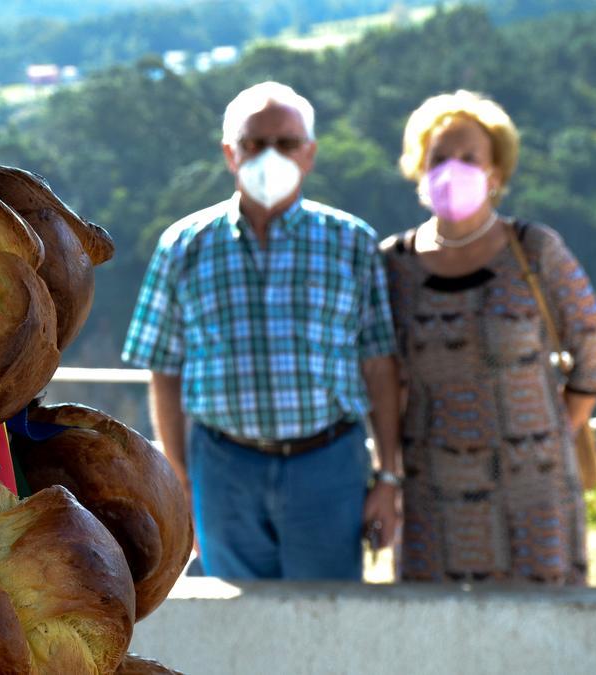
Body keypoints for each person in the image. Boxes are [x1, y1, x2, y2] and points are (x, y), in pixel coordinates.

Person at [122, 81, 403, 580]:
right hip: (223, 466)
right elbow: (164, 367)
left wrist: (387, 476)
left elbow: (379, 365)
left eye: (287, 143)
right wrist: (180, 476)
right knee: (239, 621)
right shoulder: (184, 245)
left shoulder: (352, 243)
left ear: (310, 154)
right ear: (230, 153)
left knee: (327, 618)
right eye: (254, 143)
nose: (270, 155)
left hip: (330, 466)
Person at [381, 90, 596, 585]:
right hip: (430, 487)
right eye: (440, 157)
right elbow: (382, 372)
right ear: (418, 167)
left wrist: (554, 432)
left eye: (470, 158)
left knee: (539, 633)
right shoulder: (393, 264)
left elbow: (594, 351)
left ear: (495, 173)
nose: (453, 168)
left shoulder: (534, 250)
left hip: (534, 490)